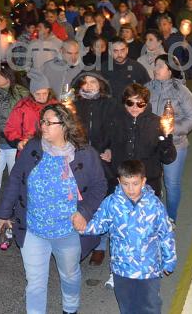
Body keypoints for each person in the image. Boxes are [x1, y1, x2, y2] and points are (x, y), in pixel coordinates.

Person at [0, 103, 107, 314]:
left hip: (68, 231)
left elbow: (99, 186)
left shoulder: (85, 154)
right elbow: (16, 178)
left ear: (64, 126)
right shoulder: (33, 148)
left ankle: (70, 309)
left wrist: (84, 212)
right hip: (33, 229)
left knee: (70, 275)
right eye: (42, 122)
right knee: (35, 283)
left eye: (49, 123)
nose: (43, 126)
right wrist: (3, 213)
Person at [84, 160, 177, 314]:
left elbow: (165, 233)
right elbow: (98, 224)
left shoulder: (154, 205)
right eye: (125, 184)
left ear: (143, 181)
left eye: (135, 183)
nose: (130, 189)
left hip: (148, 269)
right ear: (119, 181)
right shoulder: (111, 203)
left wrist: (169, 260)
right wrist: (82, 226)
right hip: (122, 269)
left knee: (151, 306)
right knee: (127, 307)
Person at [146, 55, 192, 222]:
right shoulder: (147, 88)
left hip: (175, 144)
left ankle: (171, 218)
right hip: (151, 145)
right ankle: (152, 216)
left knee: (171, 183)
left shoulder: (181, 91)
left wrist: (174, 129)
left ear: (170, 70)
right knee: (150, 182)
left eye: (160, 66)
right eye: (155, 66)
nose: (156, 69)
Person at [72, 71, 115, 265]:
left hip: (101, 159)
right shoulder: (73, 106)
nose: (88, 86)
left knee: (101, 202)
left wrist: (110, 149)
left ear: (101, 85)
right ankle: (80, 239)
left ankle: (100, 245)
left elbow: (118, 130)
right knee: (80, 200)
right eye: (85, 82)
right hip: (78, 159)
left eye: (93, 82)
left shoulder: (110, 105)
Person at [107, 84, 177, 196]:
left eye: (140, 103)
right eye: (130, 103)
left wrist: (167, 137)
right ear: (124, 103)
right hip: (121, 183)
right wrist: (107, 149)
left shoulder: (157, 123)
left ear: (146, 104)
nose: (134, 107)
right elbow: (105, 142)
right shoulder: (114, 121)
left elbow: (168, 158)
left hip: (149, 182)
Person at [0, 63, 29, 212]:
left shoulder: (21, 93)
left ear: (8, 75)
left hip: (14, 144)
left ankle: (14, 217)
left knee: (15, 182)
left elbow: (27, 118)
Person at [5, 70, 58, 151]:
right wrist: (18, 142)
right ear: (32, 93)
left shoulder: (56, 106)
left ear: (49, 92)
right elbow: (11, 129)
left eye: (45, 93)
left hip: (52, 149)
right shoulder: (22, 106)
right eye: (38, 94)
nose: (42, 97)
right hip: (29, 149)